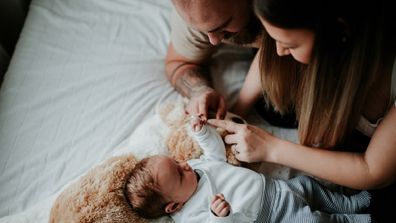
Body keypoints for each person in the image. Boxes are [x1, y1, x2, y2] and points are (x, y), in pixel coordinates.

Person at [207, 0, 396, 221]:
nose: (279, 52)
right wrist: (236, 110)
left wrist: (271, 148)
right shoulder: (304, 43)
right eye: (273, 39)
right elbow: (272, 50)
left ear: (339, 31)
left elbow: (373, 171)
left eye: (290, 45)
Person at [125, 119, 371, 222]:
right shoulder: (190, 216)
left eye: (177, 162)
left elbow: (215, 153)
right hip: (273, 216)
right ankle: (349, 219)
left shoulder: (197, 168)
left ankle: (347, 204)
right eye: (179, 173)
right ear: (173, 206)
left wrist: (201, 132)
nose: (185, 164)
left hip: (278, 189)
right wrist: (219, 216)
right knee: (313, 221)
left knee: (311, 186)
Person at [166, 0, 289, 123]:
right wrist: (199, 90)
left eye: (223, 25)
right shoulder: (194, 15)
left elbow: (271, 50)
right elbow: (179, 63)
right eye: (204, 31)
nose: (214, 41)